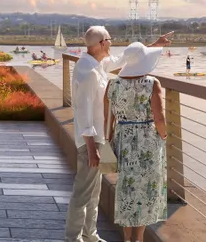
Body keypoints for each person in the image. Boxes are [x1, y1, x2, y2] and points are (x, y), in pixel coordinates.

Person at [65, 26, 171, 242]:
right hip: (90, 141)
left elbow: (125, 60)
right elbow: (84, 114)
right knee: (83, 192)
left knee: (94, 192)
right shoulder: (88, 73)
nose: (112, 44)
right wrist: (93, 148)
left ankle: (90, 234)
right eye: (110, 40)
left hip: (97, 138)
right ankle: (73, 237)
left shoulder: (96, 64)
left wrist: (152, 47)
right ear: (103, 42)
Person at [105, 42, 169, 241]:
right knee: (145, 187)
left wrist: (110, 139)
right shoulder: (151, 83)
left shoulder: (112, 84)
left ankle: (126, 237)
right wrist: (165, 136)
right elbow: (159, 118)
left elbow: (108, 117)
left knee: (127, 187)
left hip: (123, 138)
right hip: (147, 140)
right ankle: (139, 238)